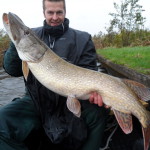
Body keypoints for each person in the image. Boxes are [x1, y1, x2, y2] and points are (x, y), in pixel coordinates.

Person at [0, 0, 108, 150]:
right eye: (50, 12)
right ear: (44, 13)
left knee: (98, 113)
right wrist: (15, 42)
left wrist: (93, 93)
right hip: (35, 101)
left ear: (65, 12)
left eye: (59, 12)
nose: (55, 17)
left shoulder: (83, 39)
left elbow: (88, 72)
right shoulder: (32, 34)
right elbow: (12, 70)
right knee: (2, 121)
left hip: (68, 99)